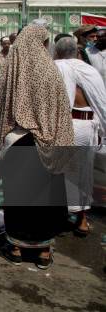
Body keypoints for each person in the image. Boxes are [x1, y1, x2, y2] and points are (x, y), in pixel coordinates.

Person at [0, 24, 74, 269]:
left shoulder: (9, 70)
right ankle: (44, 252)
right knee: (44, 197)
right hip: (45, 144)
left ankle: (16, 247)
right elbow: (61, 110)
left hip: (16, 142)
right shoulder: (50, 70)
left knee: (16, 196)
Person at [54, 36, 106, 236]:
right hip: (86, 126)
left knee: (58, 173)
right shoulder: (89, 71)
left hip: (63, 125)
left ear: (57, 52)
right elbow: (101, 102)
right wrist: (101, 129)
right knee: (84, 174)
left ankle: (59, 217)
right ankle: (82, 220)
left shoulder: (55, 68)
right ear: (77, 52)